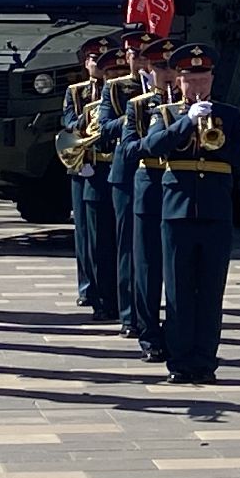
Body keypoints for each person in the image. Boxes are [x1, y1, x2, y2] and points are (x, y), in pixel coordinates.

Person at [143, 43, 240, 383]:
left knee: (209, 292)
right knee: (177, 290)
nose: (198, 87)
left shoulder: (230, 115)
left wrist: (221, 144)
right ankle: (179, 362)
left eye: (204, 79)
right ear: (178, 81)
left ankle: (205, 360)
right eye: (191, 80)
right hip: (176, 213)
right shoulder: (164, 114)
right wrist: (185, 124)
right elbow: (150, 147)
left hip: (216, 212)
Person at [125, 37, 179, 361]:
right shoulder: (139, 106)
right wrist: (157, 136)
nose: (168, 74)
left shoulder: (193, 105)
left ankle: (177, 330)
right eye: (161, 66)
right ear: (148, 68)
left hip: (181, 188)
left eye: (173, 67)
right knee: (147, 267)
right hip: (151, 184)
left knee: (177, 267)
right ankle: (148, 334)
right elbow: (128, 149)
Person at [98, 27, 156, 330]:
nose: (141, 61)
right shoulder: (116, 88)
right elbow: (104, 126)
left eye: (148, 56)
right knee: (127, 245)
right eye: (136, 55)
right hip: (127, 170)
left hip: (159, 171)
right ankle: (129, 314)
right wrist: (135, 116)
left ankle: (152, 308)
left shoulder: (166, 86)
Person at [63, 33, 117, 313]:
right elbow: (68, 122)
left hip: (110, 162)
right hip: (85, 163)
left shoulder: (120, 89)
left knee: (109, 231)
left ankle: (108, 288)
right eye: (94, 59)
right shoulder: (77, 91)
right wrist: (89, 115)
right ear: (86, 62)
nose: (98, 64)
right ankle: (88, 286)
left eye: (103, 60)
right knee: (85, 230)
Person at [81, 45, 124, 321]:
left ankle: (125, 300)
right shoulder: (84, 96)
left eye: (121, 71)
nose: (117, 76)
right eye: (113, 72)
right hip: (96, 172)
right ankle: (103, 299)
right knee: (99, 243)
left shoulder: (134, 98)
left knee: (125, 243)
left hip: (121, 172)